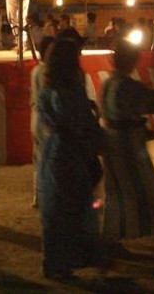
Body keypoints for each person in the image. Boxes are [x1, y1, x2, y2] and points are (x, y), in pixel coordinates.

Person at [101, 39, 154, 250]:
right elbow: (149, 102)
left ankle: (111, 236)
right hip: (130, 142)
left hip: (111, 140)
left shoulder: (108, 83)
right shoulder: (129, 85)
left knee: (116, 190)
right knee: (147, 187)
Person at [38, 39, 105, 279]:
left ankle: (54, 260)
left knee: (55, 209)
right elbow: (81, 124)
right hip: (71, 152)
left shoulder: (48, 88)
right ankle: (72, 258)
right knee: (75, 207)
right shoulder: (70, 92)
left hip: (53, 150)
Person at [29, 36, 55, 208]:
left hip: (35, 116)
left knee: (38, 158)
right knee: (47, 158)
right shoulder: (46, 71)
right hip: (44, 118)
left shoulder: (36, 70)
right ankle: (44, 195)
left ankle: (38, 195)